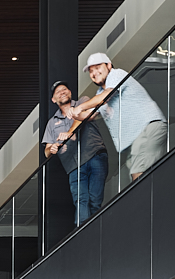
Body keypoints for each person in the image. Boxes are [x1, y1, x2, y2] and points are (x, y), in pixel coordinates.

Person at [80, 51, 168, 181]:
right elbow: (89, 115)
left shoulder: (116, 74)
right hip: (135, 138)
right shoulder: (99, 93)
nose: (94, 73)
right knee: (139, 172)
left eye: (98, 67)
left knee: (138, 173)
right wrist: (74, 112)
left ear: (109, 66)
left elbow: (105, 97)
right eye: (91, 71)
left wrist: (79, 107)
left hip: (148, 127)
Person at [41, 80, 107, 226]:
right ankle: (82, 234)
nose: (62, 92)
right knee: (81, 200)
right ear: (54, 99)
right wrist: (51, 149)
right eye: (58, 92)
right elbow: (46, 151)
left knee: (95, 199)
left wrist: (69, 132)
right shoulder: (52, 123)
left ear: (70, 92)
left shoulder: (82, 102)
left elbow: (88, 115)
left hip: (94, 154)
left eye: (65, 89)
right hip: (73, 166)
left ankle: (95, 232)